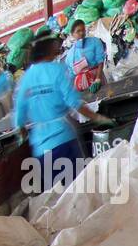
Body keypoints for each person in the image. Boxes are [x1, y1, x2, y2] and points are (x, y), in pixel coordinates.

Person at [14, 33, 115, 194]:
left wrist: (22, 133)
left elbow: (19, 116)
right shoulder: (56, 70)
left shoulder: (26, 79)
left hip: (41, 150)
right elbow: (75, 103)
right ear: (47, 50)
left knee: (58, 200)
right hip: (64, 141)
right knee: (81, 192)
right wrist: (99, 118)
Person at [64, 19, 108, 93]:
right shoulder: (69, 55)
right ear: (72, 34)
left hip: (97, 81)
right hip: (81, 88)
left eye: (83, 30)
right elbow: (71, 75)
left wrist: (98, 79)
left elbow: (100, 61)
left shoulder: (95, 41)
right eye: (78, 31)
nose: (81, 33)